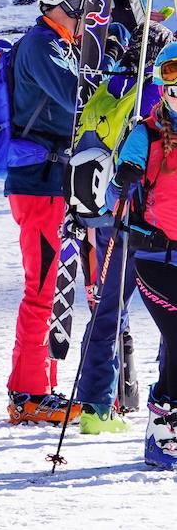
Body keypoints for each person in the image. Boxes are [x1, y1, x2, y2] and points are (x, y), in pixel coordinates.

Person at [74, 22, 171, 434]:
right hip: (141, 224)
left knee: (109, 310)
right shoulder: (148, 97)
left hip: (107, 215)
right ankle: (160, 401)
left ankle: (96, 406)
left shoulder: (112, 89)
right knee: (169, 320)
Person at [3, 0, 89, 425]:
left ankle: (42, 384)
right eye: (83, 8)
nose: (87, 17)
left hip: (53, 182)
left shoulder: (60, 43)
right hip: (38, 184)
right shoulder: (42, 44)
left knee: (54, 284)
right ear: (66, 4)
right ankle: (27, 393)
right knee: (41, 287)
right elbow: (78, 97)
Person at [110, 39, 177, 469]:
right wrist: (128, 172)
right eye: (170, 77)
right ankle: (160, 429)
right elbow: (120, 178)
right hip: (154, 258)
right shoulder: (147, 131)